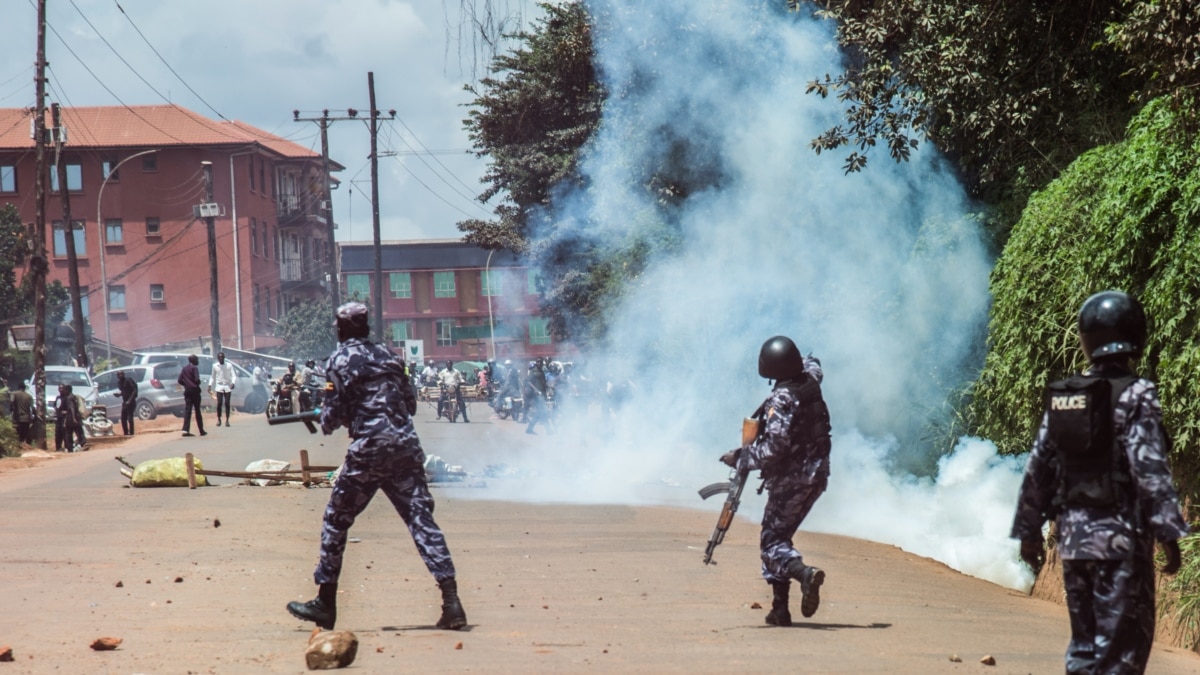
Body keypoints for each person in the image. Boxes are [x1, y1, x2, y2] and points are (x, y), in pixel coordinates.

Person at [1011, 290, 1187, 673]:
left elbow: (1038, 465)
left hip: (1074, 544)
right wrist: (1168, 534)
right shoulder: (1138, 394)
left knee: (1086, 649)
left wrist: (1029, 532)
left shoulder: (1065, 398)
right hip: (1121, 545)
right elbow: (1149, 467)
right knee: (1122, 654)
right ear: (1135, 335)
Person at [286, 301, 467, 631]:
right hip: (406, 448)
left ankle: (326, 602)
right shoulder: (389, 356)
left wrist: (318, 416)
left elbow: (330, 419)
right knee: (421, 520)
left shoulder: (339, 360)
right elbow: (410, 406)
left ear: (340, 329)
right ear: (366, 327)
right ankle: (452, 603)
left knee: (336, 520)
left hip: (369, 450)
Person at [721, 336, 831, 627]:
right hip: (817, 475)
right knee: (779, 536)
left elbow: (774, 448)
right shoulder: (810, 379)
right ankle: (779, 610)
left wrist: (740, 457)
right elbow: (814, 363)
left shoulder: (782, 398)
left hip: (793, 480)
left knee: (772, 544)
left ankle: (805, 574)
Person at [178, 354, 207, 437]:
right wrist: (197, 383)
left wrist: (186, 385)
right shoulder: (194, 368)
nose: (198, 361)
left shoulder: (184, 369)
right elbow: (197, 379)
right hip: (195, 391)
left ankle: (185, 430)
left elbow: (179, 380)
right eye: (197, 360)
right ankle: (201, 430)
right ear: (193, 360)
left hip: (187, 391)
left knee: (188, 410)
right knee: (197, 410)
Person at [54, 383, 87, 452]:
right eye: (59, 388)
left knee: (69, 432)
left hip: (69, 418)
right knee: (62, 433)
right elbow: (56, 407)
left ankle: (72, 446)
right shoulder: (59, 398)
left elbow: (71, 408)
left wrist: (73, 417)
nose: (61, 390)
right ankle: (64, 447)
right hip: (62, 418)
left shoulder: (68, 398)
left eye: (63, 389)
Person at [209, 352, 236, 427]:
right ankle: (219, 419)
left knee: (227, 403)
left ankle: (227, 420)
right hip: (219, 386)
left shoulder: (229, 365)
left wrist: (233, 383)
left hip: (227, 386)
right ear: (218, 358)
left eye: (222, 357)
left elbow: (233, 375)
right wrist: (210, 385)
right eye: (219, 357)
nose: (221, 358)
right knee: (219, 403)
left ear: (224, 357)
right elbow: (212, 376)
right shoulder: (215, 366)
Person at [523, 359, 548, 434]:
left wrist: (548, 387)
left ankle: (530, 429)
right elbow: (528, 381)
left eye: (540, 362)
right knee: (542, 412)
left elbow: (542, 383)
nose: (539, 363)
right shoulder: (534, 371)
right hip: (537, 395)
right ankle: (548, 430)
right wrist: (536, 390)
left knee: (542, 413)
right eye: (538, 362)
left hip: (542, 394)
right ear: (536, 363)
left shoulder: (542, 371)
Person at [117, 370, 138, 435]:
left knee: (130, 417)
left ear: (124, 374)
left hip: (131, 402)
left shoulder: (128, 381)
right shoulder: (119, 383)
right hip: (125, 401)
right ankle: (125, 433)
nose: (120, 376)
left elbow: (134, 390)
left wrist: (129, 400)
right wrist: (119, 394)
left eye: (121, 374)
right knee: (123, 418)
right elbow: (124, 391)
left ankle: (131, 433)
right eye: (119, 375)